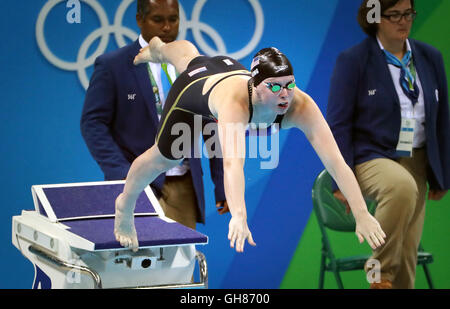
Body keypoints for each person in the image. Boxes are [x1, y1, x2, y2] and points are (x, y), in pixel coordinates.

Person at [113, 36, 387, 254]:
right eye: (275, 87)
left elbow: (336, 162)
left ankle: (159, 48)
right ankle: (124, 204)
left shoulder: (301, 105)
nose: (285, 95)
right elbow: (232, 165)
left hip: (227, 67)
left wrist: (362, 212)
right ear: (255, 86)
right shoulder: (236, 105)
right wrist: (239, 216)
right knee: (165, 158)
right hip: (195, 91)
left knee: (190, 57)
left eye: (289, 84)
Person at [327, 0, 450, 289]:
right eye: (394, 15)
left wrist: (443, 173)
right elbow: (338, 123)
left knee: (408, 251)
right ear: (374, 18)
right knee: (400, 186)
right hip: (371, 157)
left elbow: (442, 117)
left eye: (408, 13)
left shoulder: (430, 57)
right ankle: (378, 276)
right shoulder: (354, 60)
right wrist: (340, 180)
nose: (403, 21)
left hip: (418, 158)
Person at [80, 0, 227, 230]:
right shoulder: (113, 65)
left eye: (173, 19)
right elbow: (92, 124)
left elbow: (212, 126)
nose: (167, 27)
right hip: (136, 183)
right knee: (135, 260)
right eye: (158, 20)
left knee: (178, 261)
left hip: (183, 185)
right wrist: (122, 173)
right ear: (140, 20)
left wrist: (222, 182)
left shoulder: (195, 66)